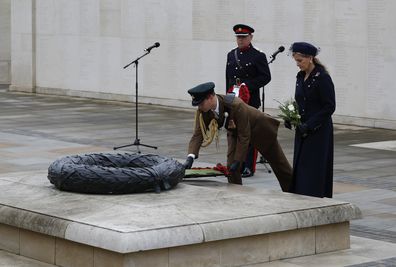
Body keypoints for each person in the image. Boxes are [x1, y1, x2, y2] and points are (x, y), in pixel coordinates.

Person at [183, 82, 293, 192]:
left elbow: (244, 135)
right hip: (235, 132)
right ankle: (236, 194)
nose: (199, 107)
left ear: (210, 97)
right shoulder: (203, 110)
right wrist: (190, 156)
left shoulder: (236, 105)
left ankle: (294, 192)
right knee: (232, 167)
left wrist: (238, 160)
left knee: (280, 165)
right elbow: (198, 134)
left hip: (259, 129)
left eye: (201, 103)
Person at [288, 42, 336, 198]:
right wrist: (291, 118)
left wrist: (310, 125)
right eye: (296, 60)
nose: (297, 64)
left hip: (318, 130)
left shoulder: (322, 78)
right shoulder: (300, 76)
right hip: (302, 129)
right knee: (301, 165)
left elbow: (329, 107)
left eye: (300, 61)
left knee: (314, 166)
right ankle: (301, 195)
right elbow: (300, 101)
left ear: (310, 58)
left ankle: (315, 196)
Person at [225, 23, 272, 178]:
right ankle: (235, 162)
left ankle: (248, 166)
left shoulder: (258, 55)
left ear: (250, 37)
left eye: (243, 37)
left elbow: (266, 76)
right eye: (238, 37)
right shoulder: (231, 54)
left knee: (249, 135)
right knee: (234, 132)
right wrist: (228, 97)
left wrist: (247, 86)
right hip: (234, 100)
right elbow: (229, 78)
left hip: (250, 101)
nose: (240, 40)